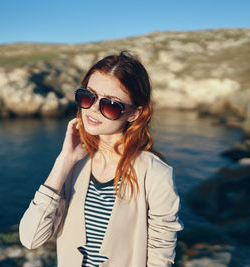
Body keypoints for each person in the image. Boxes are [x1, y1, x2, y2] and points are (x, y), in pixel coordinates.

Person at [19, 51, 184, 267]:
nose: (93, 110)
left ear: (135, 114)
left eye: (111, 105)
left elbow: (160, 258)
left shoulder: (155, 173)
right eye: (88, 97)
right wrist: (64, 160)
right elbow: (30, 239)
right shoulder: (74, 165)